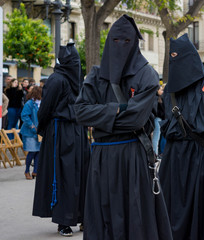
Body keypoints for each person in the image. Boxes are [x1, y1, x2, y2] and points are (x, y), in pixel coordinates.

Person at [74, 15, 172, 240]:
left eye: (126, 41)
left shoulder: (146, 74)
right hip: (100, 157)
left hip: (131, 157)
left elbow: (135, 120)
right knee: (101, 213)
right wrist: (116, 109)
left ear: (135, 43)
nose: (120, 46)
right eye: (115, 40)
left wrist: (100, 115)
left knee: (134, 214)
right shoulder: (96, 75)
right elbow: (80, 112)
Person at [159, 33, 204, 240]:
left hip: (202, 154)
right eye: (172, 56)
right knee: (172, 207)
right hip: (173, 157)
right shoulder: (169, 92)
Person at [32, 43, 90, 237]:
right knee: (76, 173)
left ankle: (67, 220)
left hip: (62, 132)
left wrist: (42, 128)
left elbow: (46, 108)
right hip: (76, 131)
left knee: (66, 174)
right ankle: (78, 218)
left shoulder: (56, 79)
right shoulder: (78, 80)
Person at [20, 86, 42, 180]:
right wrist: (32, 126)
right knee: (32, 152)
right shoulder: (29, 103)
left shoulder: (41, 103)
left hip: (39, 132)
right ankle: (26, 171)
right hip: (29, 132)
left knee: (38, 152)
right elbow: (24, 116)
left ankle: (35, 171)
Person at [153, 84, 165, 156]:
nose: (162, 91)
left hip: (159, 119)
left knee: (158, 137)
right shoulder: (156, 99)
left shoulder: (160, 98)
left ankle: (156, 153)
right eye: (161, 90)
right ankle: (155, 154)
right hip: (158, 119)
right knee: (156, 137)